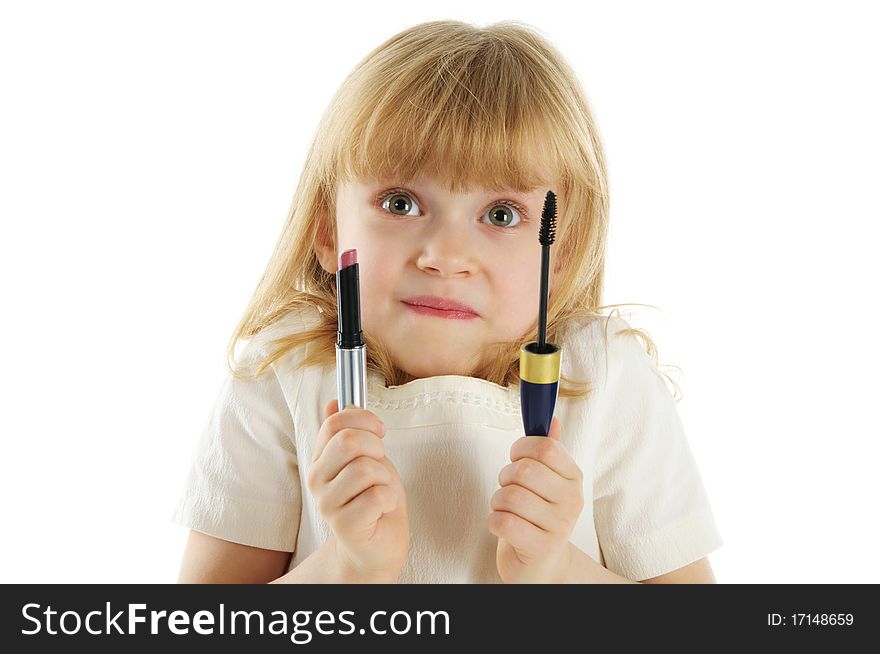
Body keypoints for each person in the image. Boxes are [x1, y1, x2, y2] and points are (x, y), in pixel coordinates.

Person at [172, 19, 722, 584]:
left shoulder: (609, 381)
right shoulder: (281, 376)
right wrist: (348, 567)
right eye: (401, 203)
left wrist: (558, 572)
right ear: (327, 227)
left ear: (561, 252)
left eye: (501, 215)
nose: (446, 256)